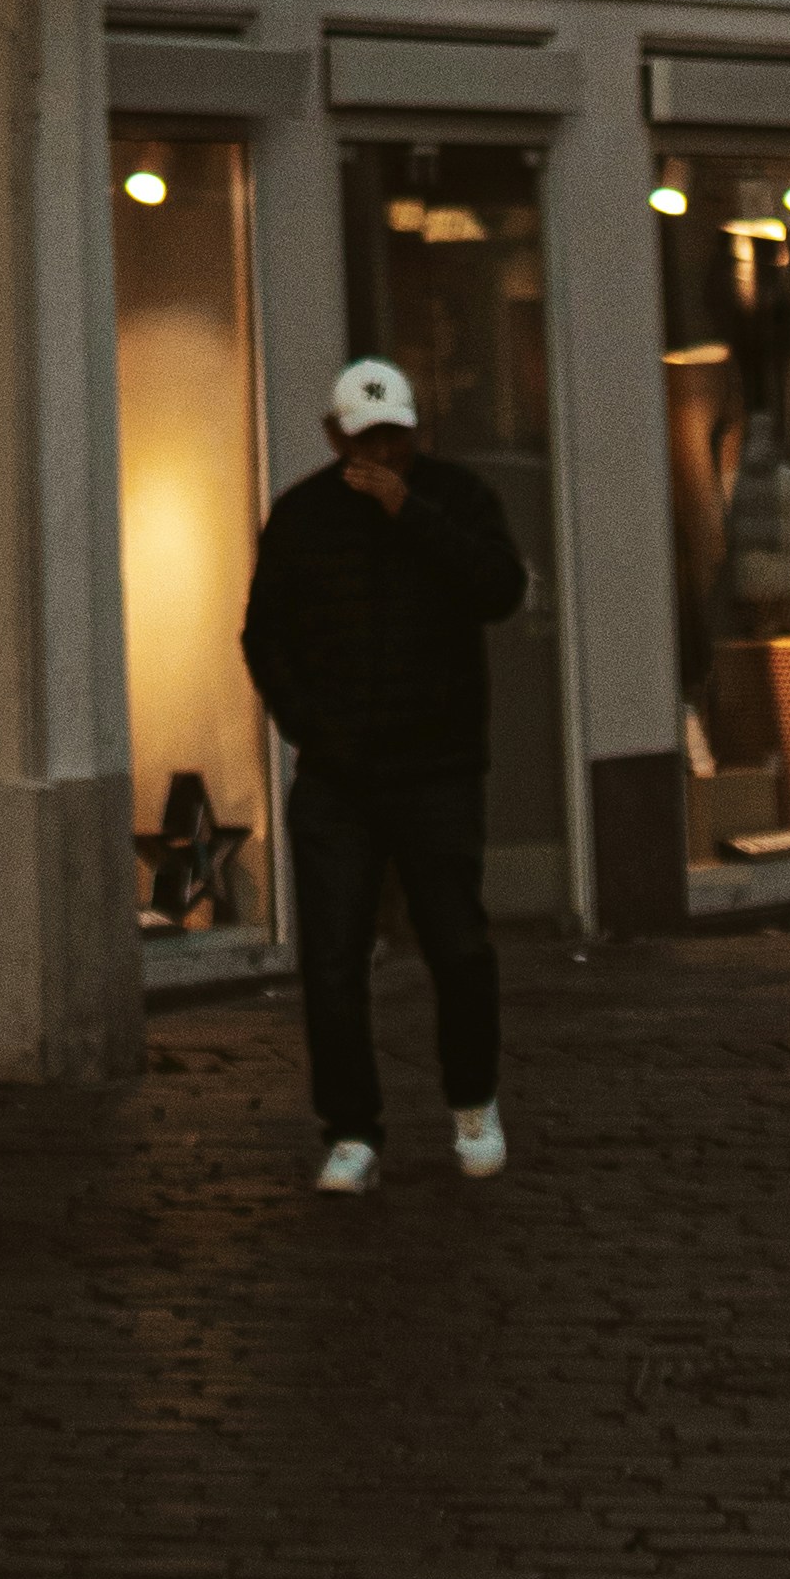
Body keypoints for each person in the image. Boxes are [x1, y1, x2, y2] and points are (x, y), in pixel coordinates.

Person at [245, 348, 529, 1195]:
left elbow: (499, 589)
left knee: (458, 946)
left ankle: (472, 1103)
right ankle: (350, 1131)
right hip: (339, 776)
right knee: (333, 957)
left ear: (416, 433)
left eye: (395, 438)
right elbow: (264, 636)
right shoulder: (302, 516)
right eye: (366, 440)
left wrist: (413, 514)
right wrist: (311, 729)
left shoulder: (457, 499)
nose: (382, 454)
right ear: (335, 437)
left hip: (437, 767)